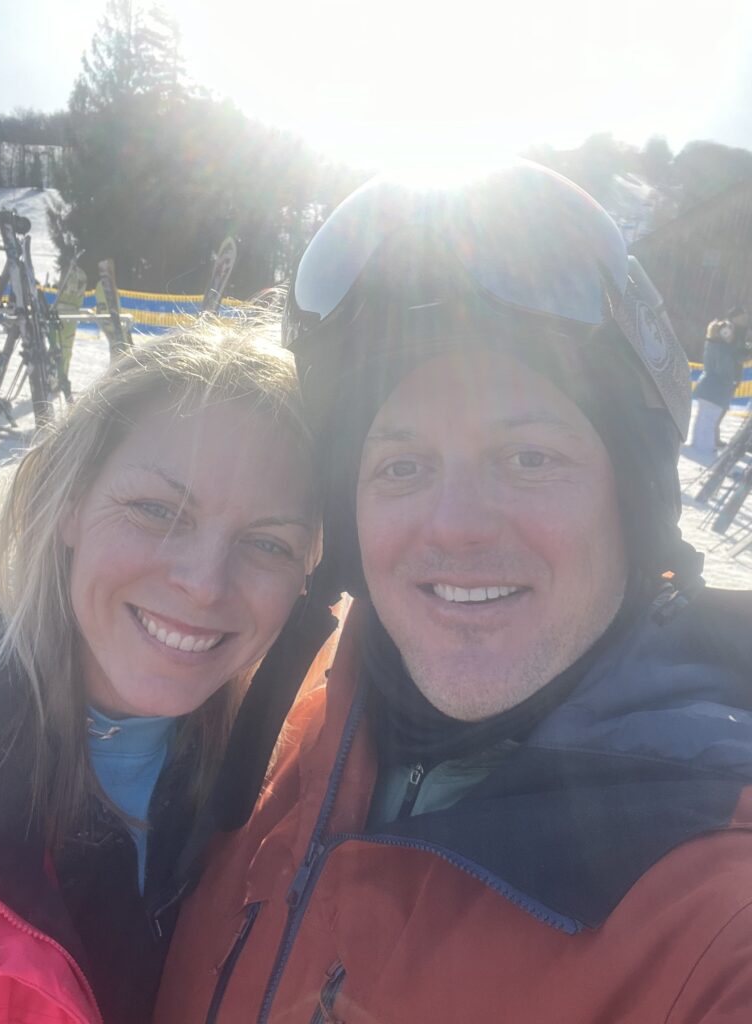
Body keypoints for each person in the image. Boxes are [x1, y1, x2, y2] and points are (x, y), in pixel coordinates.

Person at [156, 163, 752, 1023]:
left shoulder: (712, 917)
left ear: (634, 506)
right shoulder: (298, 719)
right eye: (402, 465)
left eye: (529, 458)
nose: (457, 526)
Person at [0, 321, 328, 1024]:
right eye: (155, 510)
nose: (204, 584)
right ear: (68, 503)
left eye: (267, 542)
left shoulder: (302, 772)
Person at [687, 312, 744, 457]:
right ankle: (705, 450)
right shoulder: (723, 349)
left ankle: (698, 446)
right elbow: (724, 370)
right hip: (716, 390)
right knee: (709, 422)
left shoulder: (711, 344)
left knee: (702, 420)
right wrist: (731, 381)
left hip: (706, 387)